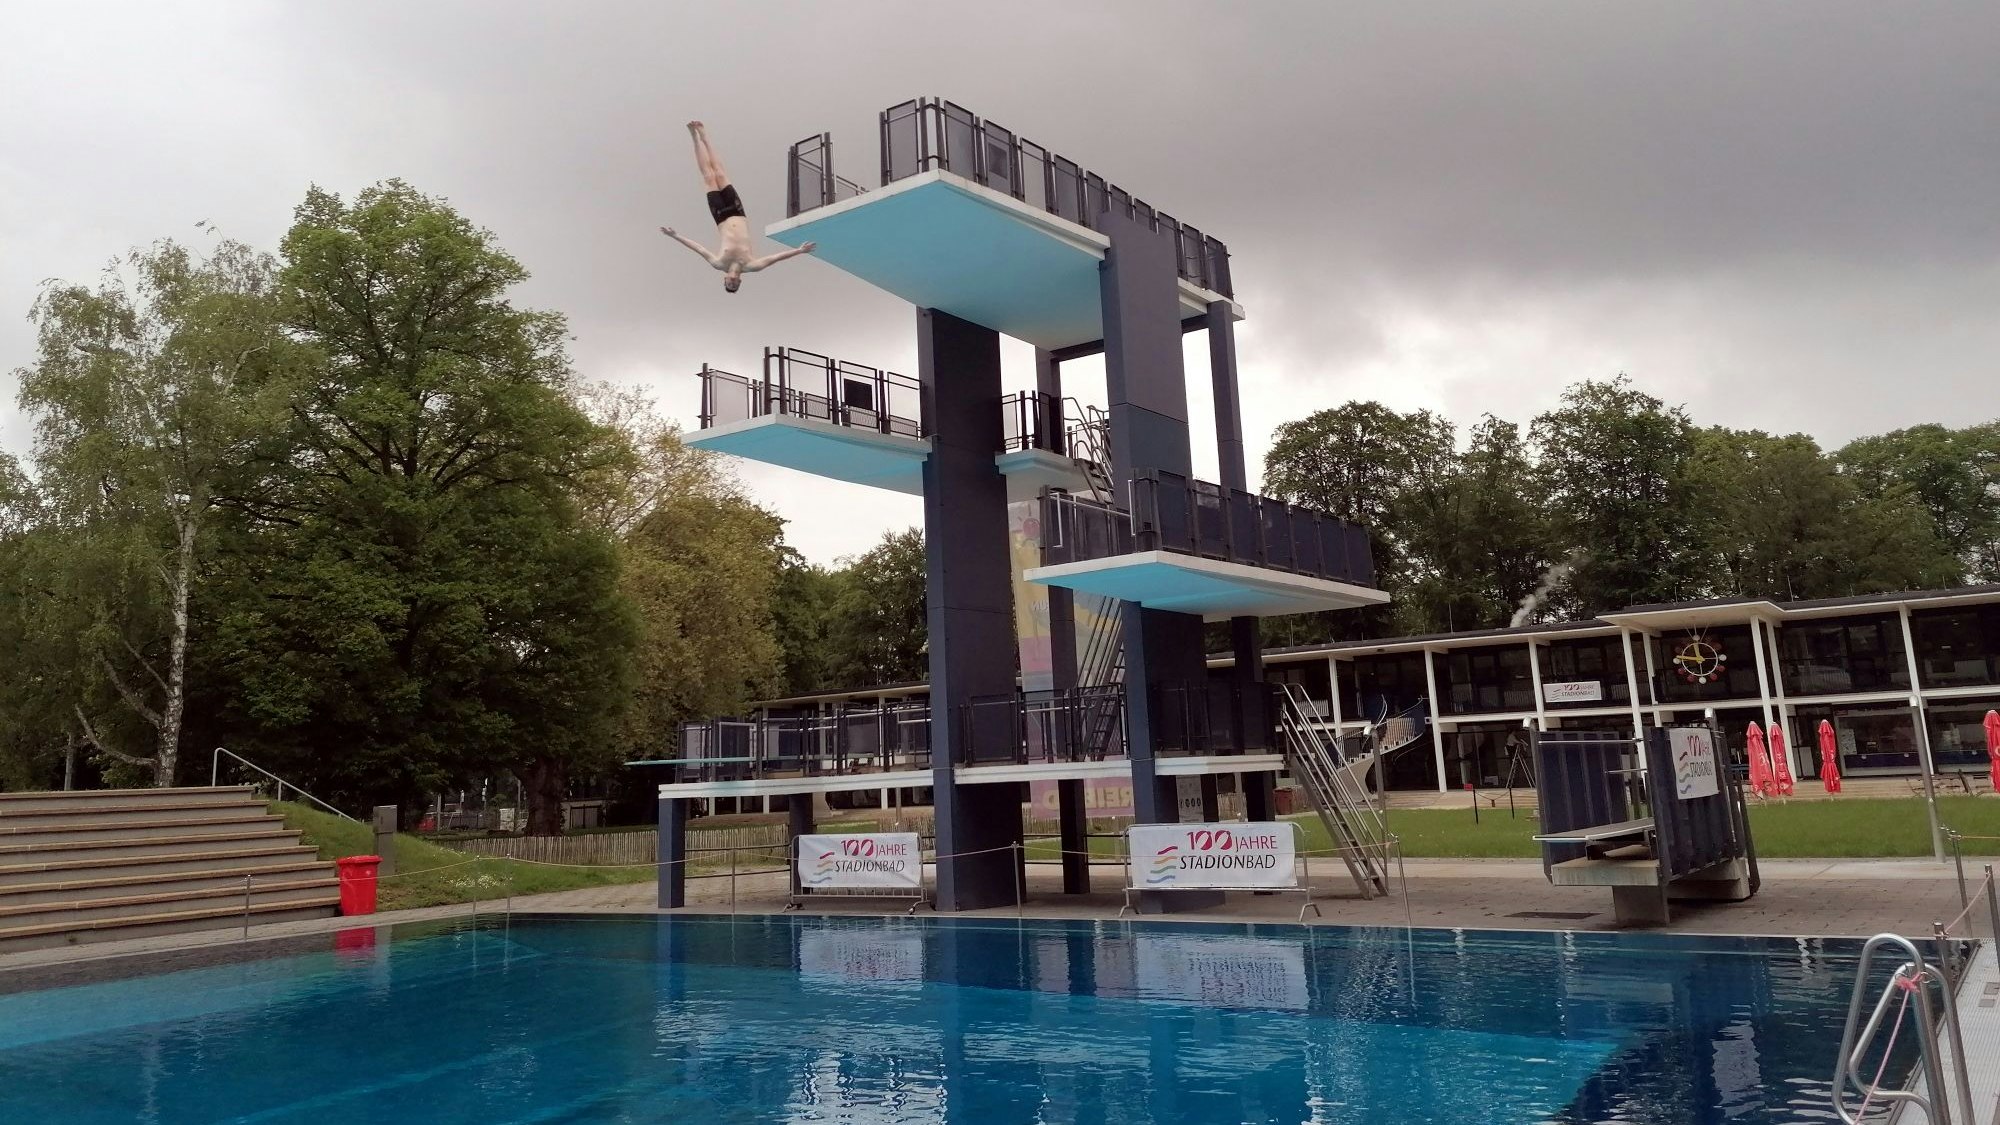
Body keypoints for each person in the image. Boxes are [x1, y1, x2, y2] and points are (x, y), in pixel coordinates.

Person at [662, 121, 817, 292]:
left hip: (720, 216)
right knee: (720, 173)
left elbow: (698, 248)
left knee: (708, 176)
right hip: (737, 212)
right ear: (740, 282)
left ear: (725, 279)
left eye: (729, 283)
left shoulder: (719, 263)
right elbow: (776, 258)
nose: (732, 282)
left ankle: (694, 138)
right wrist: (799, 251)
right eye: (734, 285)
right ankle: (705, 137)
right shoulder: (752, 265)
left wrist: (675, 236)